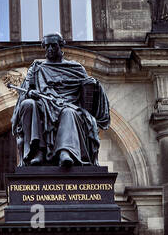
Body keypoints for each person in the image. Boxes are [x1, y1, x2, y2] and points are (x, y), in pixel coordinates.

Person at [11, 33, 109, 168]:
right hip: (43, 104)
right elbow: (26, 90)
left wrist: (94, 84)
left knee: (68, 112)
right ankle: (37, 150)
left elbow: (89, 87)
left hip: (68, 105)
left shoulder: (75, 68)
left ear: (61, 45)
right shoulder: (37, 67)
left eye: (53, 45)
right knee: (28, 104)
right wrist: (30, 93)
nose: (49, 49)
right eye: (46, 46)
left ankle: (65, 152)